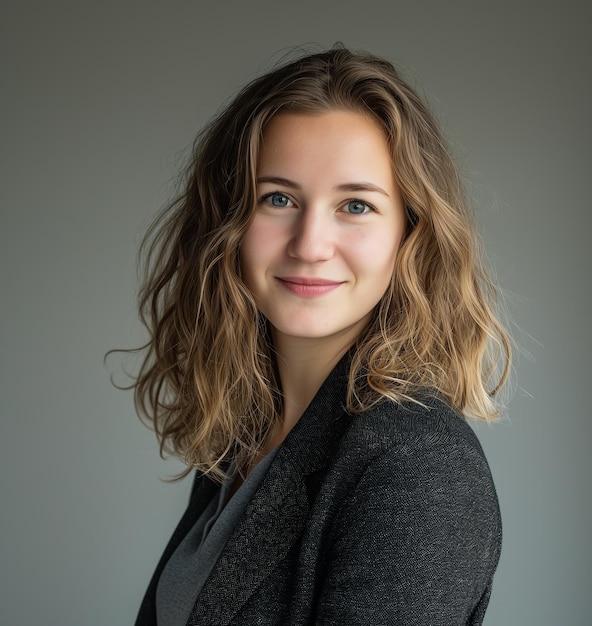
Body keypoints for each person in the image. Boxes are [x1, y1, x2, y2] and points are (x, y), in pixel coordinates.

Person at [128, 46, 511, 625]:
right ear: (228, 223)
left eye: (355, 205)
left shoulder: (418, 466)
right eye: (278, 199)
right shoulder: (243, 438)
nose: (309, 244)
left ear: (410, 234)